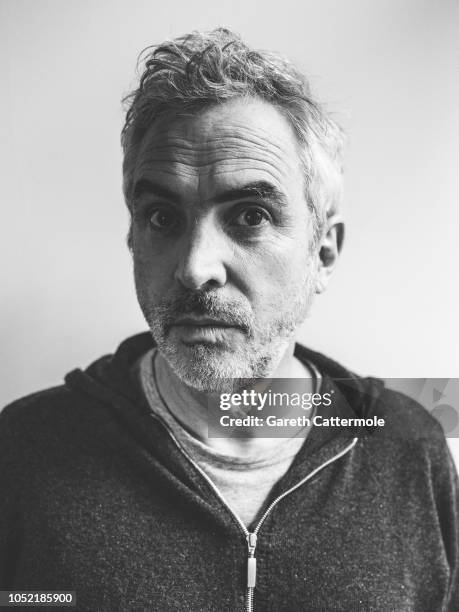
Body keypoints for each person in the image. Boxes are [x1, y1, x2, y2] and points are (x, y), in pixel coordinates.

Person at [1, 28, 458, 612]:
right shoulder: (25, 451)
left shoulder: (407, 448)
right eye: (163, 217)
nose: (195, 269)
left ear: (323, 252)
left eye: (250, 215)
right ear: (132, 236)